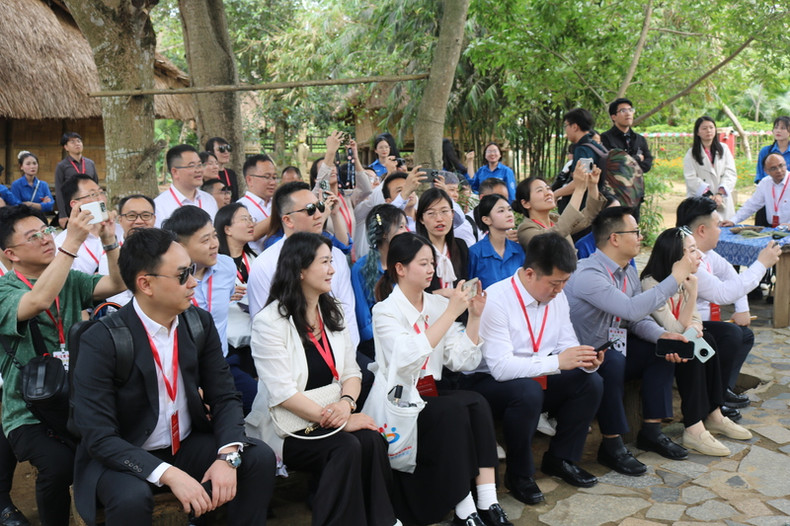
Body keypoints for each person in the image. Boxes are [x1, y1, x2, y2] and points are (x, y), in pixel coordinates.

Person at [70, 228, 275, 525]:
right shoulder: (103, 340)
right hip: (124, 454)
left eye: (192, 270)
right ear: (146, 284)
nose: (194, 282)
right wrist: (170, 474)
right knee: (131, 498)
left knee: (257, 458)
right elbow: (99, 438)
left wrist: (227, 456)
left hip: (185, 445)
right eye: (182, 275)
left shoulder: (196, 322)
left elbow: (225, 395)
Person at [246, 233, 398, 526]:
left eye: (332, 261)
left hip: (329, 414)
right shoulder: (269, 322)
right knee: (347, 446)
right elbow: (283, 394)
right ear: (300, 269)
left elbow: (352, 373)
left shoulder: (332, 310)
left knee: (372, 440)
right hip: (287, 428)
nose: (332, 269)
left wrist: (346, 403)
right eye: (325, 262)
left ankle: (384, 520)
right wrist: (342, 421)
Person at [366, 232, 511, 526]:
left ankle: (488, 499)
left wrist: (473, 317)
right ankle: (464, 508)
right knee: (453, 409)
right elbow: (409, 357)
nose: (431, 269)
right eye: (423, 263)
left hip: (428, 395)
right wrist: (450, 312)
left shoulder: (435, 305)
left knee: (476, 402)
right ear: (400, 268)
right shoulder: (384, 311)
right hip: (400, 401)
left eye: (432, 262)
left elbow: (461, 360)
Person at [0, 204, 125, 526]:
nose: (45, 239)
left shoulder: (69, 280)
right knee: (58, 466)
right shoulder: (4, 290)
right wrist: (71, 243)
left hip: (74, 399)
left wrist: (109, 241)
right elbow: (37, 301)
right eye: (33, 236)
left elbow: (117, 284)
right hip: (26, 410)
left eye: (46, 230)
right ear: (10, 254)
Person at [461, 232, 604, 505]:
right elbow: (501, 368)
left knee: (590, 382)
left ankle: (561, 459)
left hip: (535, 376)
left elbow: (566, 344)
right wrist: (557, 362)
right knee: (527, 391)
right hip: (488, 383)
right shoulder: (497, 300)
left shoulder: (557, 297)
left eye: (564, 283)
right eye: (554, 283)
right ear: (529, 274)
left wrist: (585, 360)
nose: (559, 290)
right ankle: (520, 474)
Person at [564, 206, 697, 476]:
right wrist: (676, 276)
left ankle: (651, 430)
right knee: (612, 359)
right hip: (581, 355)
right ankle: (612, 445)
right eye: (635, 231)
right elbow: (631, 310)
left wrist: (663, 335)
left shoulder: (627, 272)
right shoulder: (589, 274)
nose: (640, 236)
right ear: (614, 238)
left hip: (612, 347)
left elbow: (636, 320)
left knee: (658, 349)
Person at [640, 227, 752, 455]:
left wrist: (696, 328)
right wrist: (692, 297)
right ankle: (693, 426)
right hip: (659, 340)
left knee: (726, 335)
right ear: (676, 256)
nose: (699, 256)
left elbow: (694, 321)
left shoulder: (687, 277)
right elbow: (673, 329)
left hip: (681, 333)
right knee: (690, 344)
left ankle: (714, 413)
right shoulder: (651, 283)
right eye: (692, 251)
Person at [676, 196, 781, 419]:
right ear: (702, 230)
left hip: (699, 322)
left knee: (744, 335)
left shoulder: (706, 253)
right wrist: (762, 264)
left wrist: (742, 308)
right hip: (682, 326)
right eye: (717, 225)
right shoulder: (685, 255)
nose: (721, 230)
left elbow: (730, 274)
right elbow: (722, 293)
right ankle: (713, 400)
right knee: (732, 334)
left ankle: (722, 390)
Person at [161, 207, 257, 415]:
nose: (215, 244)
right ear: (180, 246)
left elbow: (226, 296)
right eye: (205, 240)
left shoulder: (226, 267)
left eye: (214, 235)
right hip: (180, 371)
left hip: (220, 364)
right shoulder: (167, 280)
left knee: (255, 402)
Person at [247, 182, 360, 347]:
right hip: (289, 355)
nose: (319, 215)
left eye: (320, 206)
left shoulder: (336, 256)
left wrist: (349, 357)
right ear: (287, 220)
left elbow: (347, 312)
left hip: (339, 353)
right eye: (310, 210)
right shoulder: (265, 264)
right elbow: (262, 324)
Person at [351, 205, 408, 355]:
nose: (406, 231)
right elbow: (363, 317)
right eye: (401, 226)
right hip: (376, 344)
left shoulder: (409, 262)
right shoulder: (361, 268)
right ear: (384, 233)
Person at [215, 203, 259, 399]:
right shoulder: (214, 265)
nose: (250, 224)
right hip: (228, 345)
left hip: (257, 340)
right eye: (244, 219)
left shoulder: (257, 259)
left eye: (251, 219)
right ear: (227, 229)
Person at [514, 165, 605, 249]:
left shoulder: (555, 219)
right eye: (540, 190)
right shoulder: (525, 229)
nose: (548, 193)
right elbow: (556, 234)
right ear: (526, 203)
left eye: (548, 188)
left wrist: (592, 185)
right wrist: (579, 189)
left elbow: (589, 216)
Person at [53, 175, 125, 277]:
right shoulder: (62, 243)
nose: (101, 199)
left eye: (101, 192)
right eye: (93, 194)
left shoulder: (121, 230)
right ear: (75, 204)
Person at [683, 116, 737, 221]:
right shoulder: (691, 153)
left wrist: (720, 194)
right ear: (697, 132)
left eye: (711, 127)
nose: (708, 130)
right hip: (701, 199)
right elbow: (690, 178)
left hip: (722, 199)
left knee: (724, 228)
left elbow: (730, 172)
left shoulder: (724, 149)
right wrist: (709, 196)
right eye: (704, 128)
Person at [416, 188, 468, 293]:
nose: (439, 218)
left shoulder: (460, 246)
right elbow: (411, 292)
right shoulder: (415, 250)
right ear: (421, 218)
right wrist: (438, 294)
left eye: (444, 211)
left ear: (452, 214)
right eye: (431, 213)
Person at [468, 194, 525, 288]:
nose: (509, 214)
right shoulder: (475, 253)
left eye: (509, 209)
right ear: (486, 220)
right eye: (501, 211)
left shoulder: (519, 250)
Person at [154, 144, 218, 227]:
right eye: (191, 166)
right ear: (175, 172)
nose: (199, 170)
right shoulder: (159, 206)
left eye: (199, 164)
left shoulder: (209, 200)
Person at [724, 153, 790, 227]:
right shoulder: (765, 183)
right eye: (773, 168)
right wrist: (733, 220)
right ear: (766, 171)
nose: (779, 170)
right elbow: (752, 204)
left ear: (786, 164)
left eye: (781, 166)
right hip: (772, 228)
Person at [54, 132, 99, 228]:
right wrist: (63, 215)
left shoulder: (90, 163)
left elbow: (96, 187)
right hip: (71, 208)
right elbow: (58, 191)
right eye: (72, 142)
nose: (77, 143)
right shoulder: (62, 166)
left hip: (90, 206)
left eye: (79, 141)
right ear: (66, 147)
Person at [238, 154, 278, 254]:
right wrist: (281, 213)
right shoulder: (240, 208)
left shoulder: (277, 203)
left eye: (274, 177)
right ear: (249, 180)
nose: (272, 182)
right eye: (267, 177)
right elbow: (250, 235)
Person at [206, 137, 240, 201]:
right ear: (210, 153)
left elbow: (236, 197)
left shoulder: (231, 173)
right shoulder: (208, 175)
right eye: (221, 149)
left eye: (228, 148)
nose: (226, 152)